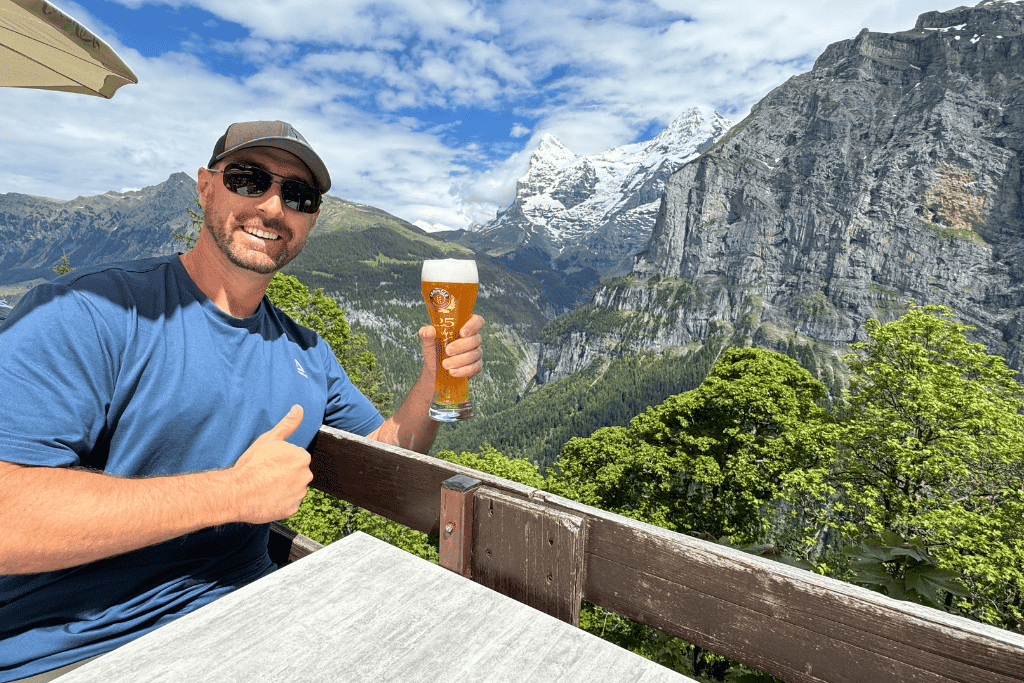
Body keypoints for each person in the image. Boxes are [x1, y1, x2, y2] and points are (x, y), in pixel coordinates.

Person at [0, 121, 485, 682]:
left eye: (299, 196)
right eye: (249, 180)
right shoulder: (89, 311)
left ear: (311, 220)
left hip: (248, 625)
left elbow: (389, 446)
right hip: (73, 652)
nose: (274, 207)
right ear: (206, 187)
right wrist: (233, 493)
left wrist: (431, 379)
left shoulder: (307, 352)